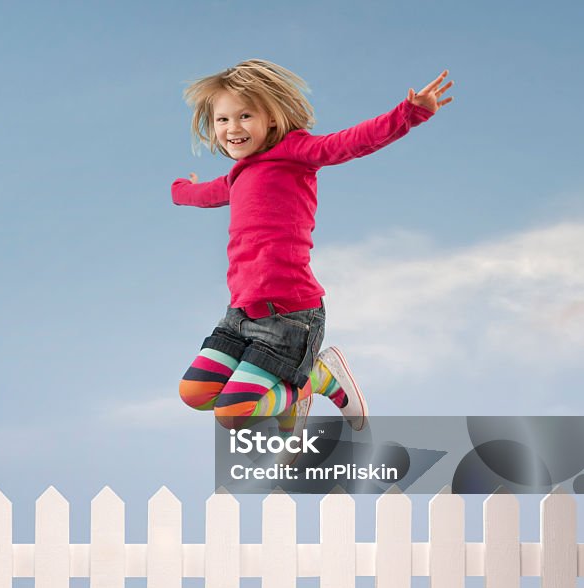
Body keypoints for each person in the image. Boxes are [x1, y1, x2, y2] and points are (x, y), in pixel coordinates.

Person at [174, 59, 453, 432]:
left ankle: (319, 377)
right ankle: (295, 387)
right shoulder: (238, 175)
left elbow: (349, 142)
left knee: (233, 413)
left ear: (271, 117)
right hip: (240, 314)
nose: (232, 128)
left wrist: (409, 114)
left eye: (244, 116)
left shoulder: (294, 151)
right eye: (223, 120)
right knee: (195, 393)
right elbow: (204, 195)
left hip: (289, 316)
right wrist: (180, 190)